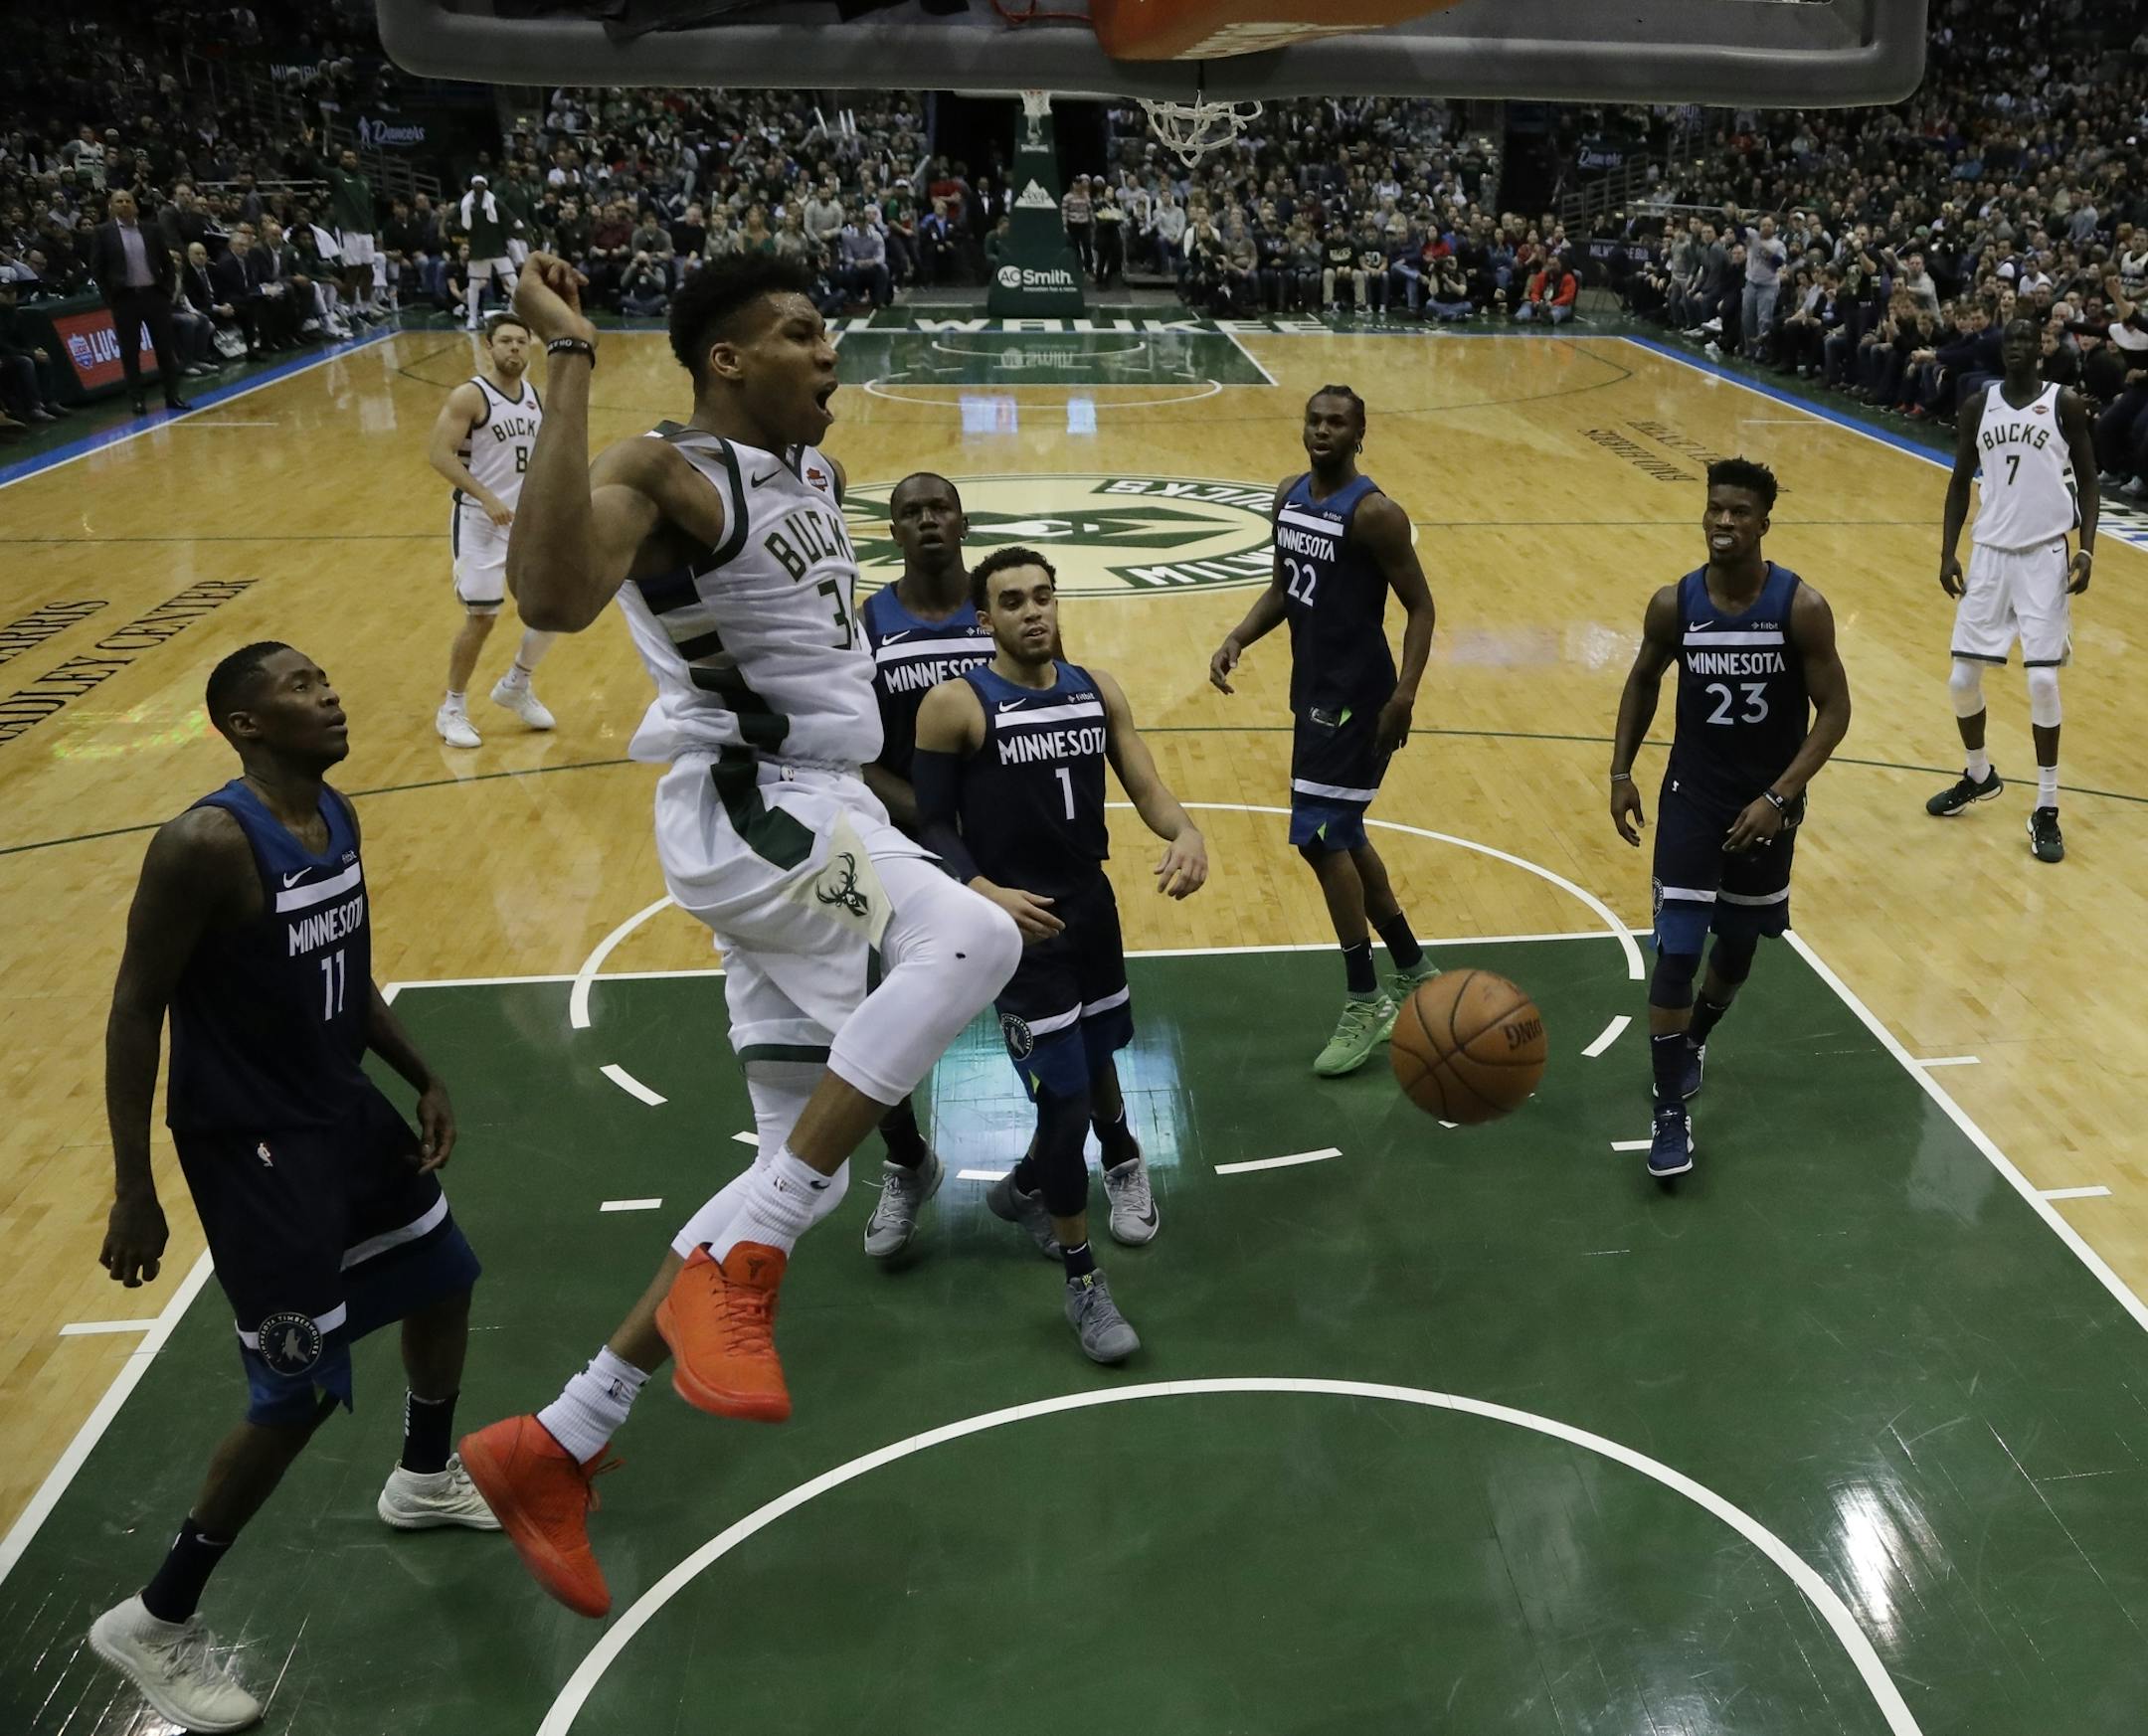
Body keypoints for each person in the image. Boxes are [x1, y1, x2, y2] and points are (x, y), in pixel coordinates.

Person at [454, 253, 1021, 1620]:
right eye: (802, 334)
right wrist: (578, 356)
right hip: (752, 807)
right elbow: (548, 597)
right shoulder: (670, 472)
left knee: (800, 1160)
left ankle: (557, 1439)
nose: (830, 353)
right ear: (726, 359)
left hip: (820, 810)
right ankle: (747, 1264)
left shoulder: (814, 478)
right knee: (977, 941)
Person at [89, 642, 493, 1732]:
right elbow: (135, 1009)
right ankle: (157, 1619)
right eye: (303, 687)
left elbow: (345, 972)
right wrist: (134, 1184)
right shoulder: (205, 844)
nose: (331, 692)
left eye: (330, 676)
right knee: (301, 1389)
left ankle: (420, 1475)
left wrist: (420, 1073)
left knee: (444, 1275)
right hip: (251, 1149)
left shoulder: (336, 814)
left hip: (337, 1111)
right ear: (242, 725)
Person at [914, 547, 1202, 1360]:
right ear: (985, 620)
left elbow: (1145, 786)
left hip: (1092, 911)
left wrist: (1185, 830)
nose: (1033, 612)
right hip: (1018, 929)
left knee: (1105, 1051)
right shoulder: (957, 705)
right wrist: (983, 890)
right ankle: (1083, 1283)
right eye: (1012, 602)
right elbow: (931, 823)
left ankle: (1039, 1183)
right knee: (1064, 1103)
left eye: (1043, 596)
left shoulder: (1096, 689)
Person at [1607, 459, 1853, 1180]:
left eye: (1739, 512)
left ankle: (1696, 1039)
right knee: (1678, 951)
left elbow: (1834, 711)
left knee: (1738, 950)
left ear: (1764, 522)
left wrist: (1779, 797)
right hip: (1694, 796)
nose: (1724, 522)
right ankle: (1669, 1117)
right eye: (1715, 509)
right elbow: (1642, 681)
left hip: (1768, 801)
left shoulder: (1799, 607)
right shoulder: (1675, 603)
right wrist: (1621, 772)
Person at [1207, 386, 1438, 1076]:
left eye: (1337, 423)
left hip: (1360, 695)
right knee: (1342, 831)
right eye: (1315, 421)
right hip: (1312, 687)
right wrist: (1239, 636)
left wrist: (1404, 695)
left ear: (1361, 434)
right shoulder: (1288, 496)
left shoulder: (1375, 514)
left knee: (1317, 836)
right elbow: (1286, 587)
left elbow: (1422, 609)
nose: (1323, 431)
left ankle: (1364, 996)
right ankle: (1413, 967)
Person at [855, 472, 993, 1257]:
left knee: (1042, 1013)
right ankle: (907, 1162)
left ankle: (1053, 1174)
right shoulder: (870, 620)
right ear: (893, 532)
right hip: (901, 842)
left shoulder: (1001, 604)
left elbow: (1046, 696)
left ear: (964, 520)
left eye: (940, 507)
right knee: (873, 1020)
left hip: (999, 846)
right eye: (912, 512)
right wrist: (933, 820)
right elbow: (854, 750)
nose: (929, 520)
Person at [1928, 317, 2098, 861]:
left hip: (2046, 554)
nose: (2018, 349)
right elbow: (1959, 482)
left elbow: (2091, 480)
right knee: (1960, 679)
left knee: (2044, 681)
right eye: (2011, 342)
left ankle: (2046, 806)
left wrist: (2087, 548)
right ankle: (1980, 774)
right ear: (2003, 351)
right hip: (1990, 556)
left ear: (2041, 349)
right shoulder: (1979, 405)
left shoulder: (2063, 402)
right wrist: (1948, 550)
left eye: (2028, 341)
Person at [426, 313, 558, 747]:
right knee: (481, 618)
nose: (515, 348)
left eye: (522, 341)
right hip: (479, 520)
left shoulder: (535, 398)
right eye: (506, 341)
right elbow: (439, 454)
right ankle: (452, 709)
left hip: (526, 523)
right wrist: (485, 496)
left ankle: (517, 684)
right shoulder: (471, 396)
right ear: (489, 347)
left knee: (556, 606)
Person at [89, 189, 190, 416]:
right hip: (125, 299)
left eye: (128, 200)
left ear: (135, 205)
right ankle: (137, 400)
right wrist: (111, 298)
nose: (124, 204)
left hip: (155, 296)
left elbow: (167, 263)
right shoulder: (103, 232)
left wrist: (166, 291)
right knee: (130, 352)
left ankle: (173, 395)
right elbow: (98, 269)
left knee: (165, 349)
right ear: (111, 206)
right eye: (119, 201)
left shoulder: (152, 229)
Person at [452, 176, 518, 331]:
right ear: (472, 186)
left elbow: (508, 214)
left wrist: (517, 224)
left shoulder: (494, 201)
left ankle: (515, 312)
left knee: (513, 281)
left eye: (481, 183)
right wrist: (444, 227)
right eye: (475, 183)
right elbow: (452, 215)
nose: (478, 186)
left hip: (497, 248)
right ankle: (472, 318)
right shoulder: (466, 203)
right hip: (478, 250)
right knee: (474, 284)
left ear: (486, 186)